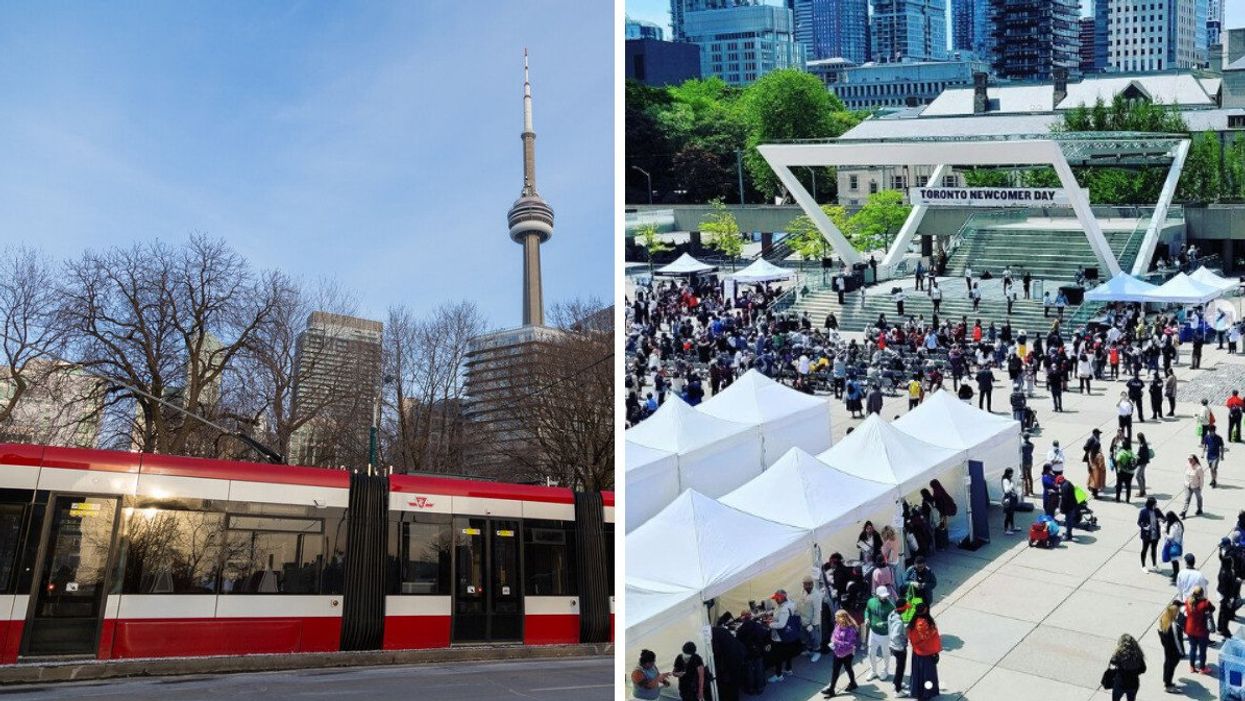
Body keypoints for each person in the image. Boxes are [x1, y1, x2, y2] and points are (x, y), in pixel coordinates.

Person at [820, 610, 859, 697]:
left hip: (847, 654)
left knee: (848, 668)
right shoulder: (837, 625)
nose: (835, 619)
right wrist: (833, 640)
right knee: (835, 670)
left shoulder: (851, 629)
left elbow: (849, 644)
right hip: (837, 652)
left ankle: (853, 683)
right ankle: (832, 689)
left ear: (842, 618)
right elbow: (833, 634)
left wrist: (837, 642)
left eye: (836, 617)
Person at [906, 604, 941, 701]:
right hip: (927, 654)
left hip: (917, 653)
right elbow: (930, 637)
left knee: (918, 675)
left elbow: (910, 636)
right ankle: (926, 694)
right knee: (927, 676)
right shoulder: (925, 624)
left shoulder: (913, 623)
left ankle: (917, 692)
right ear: (925, 611)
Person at [765, 589, 800, 682]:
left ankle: (778, 675)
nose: (776, 600)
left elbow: (781, 625)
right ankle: (788, 669)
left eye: (777, 598)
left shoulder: (784, 609)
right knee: (788, 653)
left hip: (780, 636)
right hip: (788, 633)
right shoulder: (790, 603)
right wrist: (773, 618)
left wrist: (770, 624)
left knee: (777, 656)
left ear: (783, 597)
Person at [863, 586, 895, 682]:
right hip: (873, 632)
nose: (884, 598)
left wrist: (884, 623)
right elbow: (867, 610)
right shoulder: (871, 601)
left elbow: (894, 620)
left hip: (885, 635)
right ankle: (873, 671)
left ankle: (885, 670)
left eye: (885, 596)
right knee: (871, 653)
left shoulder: (891, 606)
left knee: (886, 654)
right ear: (877, 595)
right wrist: (866, 618)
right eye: (882, 596)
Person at [711, 613, 746, 701]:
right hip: (738, 654)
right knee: (735, 682)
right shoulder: (720, 630)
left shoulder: (713, 635)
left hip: (732, 660)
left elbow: (717, 652)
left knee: (731, 684)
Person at [1105, 634, 1147, 701]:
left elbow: (1112, 665)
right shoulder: (1138, 655)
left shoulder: (1118, 654)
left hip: (1120, 684)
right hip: (1133, 684)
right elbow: (1143, 669)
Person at [1184, 587, 1215, 676]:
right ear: (1202, 593)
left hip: (1190, 629)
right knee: (1202, 650)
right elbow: (1213, 609)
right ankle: (1202, 668)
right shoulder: (1205, 603)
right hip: (1202, 631)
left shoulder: (1188, 601)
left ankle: (1192, 667)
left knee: (1193, 648)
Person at [1157, 601, 1185, 694]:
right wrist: (1181, 652)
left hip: (1167, 648)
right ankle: (1168, 685)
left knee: (1167, 665)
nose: (1178, 613)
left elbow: (1160, 632)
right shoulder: (1174, 626)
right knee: (1171, 667)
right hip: (1173, 650)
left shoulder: (1163, 619)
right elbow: (1177, 641)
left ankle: (1167, 681)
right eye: (1177, 612)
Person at [797, 575, 825, 663]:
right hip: (803, 620)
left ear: (812, 584)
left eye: (808, 584)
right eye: (805, 584)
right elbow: (800, 602)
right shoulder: (803, 591)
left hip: (812, 623)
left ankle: (817, 652)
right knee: (806, 637)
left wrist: (813, 624)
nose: (806, 586)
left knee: (814, 638)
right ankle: (809, 650)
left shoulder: (816, 595)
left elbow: (817, 611)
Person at [888, 600, 911, 698]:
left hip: (892, 646)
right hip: (899, 648)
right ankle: (898, 690)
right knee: (900, 668)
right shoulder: (899, 622)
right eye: (906, 608)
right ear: (903, 609)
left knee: (898, 667)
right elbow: (895, 636)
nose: (907, 609)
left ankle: (896, 683)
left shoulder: (892, 614)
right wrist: (902, 646)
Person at [1138, 497, 1163, 572]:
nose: (1156, 505)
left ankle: (1154, 565)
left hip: (1155, 534)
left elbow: (1164, 518)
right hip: (1146, 534)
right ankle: (1143, 565)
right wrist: (1144, 527)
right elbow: (1139, 522)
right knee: (1144, 549)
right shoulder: (1143, 511)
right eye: (1155, 504)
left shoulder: (1157, 510)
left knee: (1154, 550)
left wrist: (1161, 519)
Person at [1165, 514, 1186, 585]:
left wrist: (1164, 534)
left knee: (1174, 561)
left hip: (1174, 545)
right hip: (1178, 543)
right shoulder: (1179, 523)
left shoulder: (1173, 526)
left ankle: (1176, 575)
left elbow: (1171, 536)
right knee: (1175, 561)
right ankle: (1175, 573)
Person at [1202, 424, 1225, 488]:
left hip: (1216, 456)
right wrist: (1203, 453)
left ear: (1214, 431)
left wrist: (1222, 455)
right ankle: (1212, 479)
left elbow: (1222, 447)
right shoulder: (1207, 437)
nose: (1210, 433)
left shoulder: (1219, 438)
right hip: (1209, 456)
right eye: (1209, 431)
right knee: (1211, 469)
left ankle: (1214, 480)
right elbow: (1205, 445)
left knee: (1214, 468)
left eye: (1211, 431)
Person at [1001, 468, 1020, 534]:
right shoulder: (1005, 480)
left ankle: (1012, 526)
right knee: (1008, 515)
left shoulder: (1009, 479)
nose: (1012, 474)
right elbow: (1006, 490)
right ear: (1008, 473)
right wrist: (1011, 485)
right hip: (1008, 500)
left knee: (1011, 514)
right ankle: (1006, 530)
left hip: (1012, 499)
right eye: (1011, 473)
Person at [1135, 433, 1152, 498]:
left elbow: (1140, 455)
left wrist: (1136, 457)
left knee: (1137, 476)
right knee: (1142, 477)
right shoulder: (1144, 444)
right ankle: (1143, 491)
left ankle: (1141, 491)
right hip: (1144, 463)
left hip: (1141, 463)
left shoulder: (1142, 446)